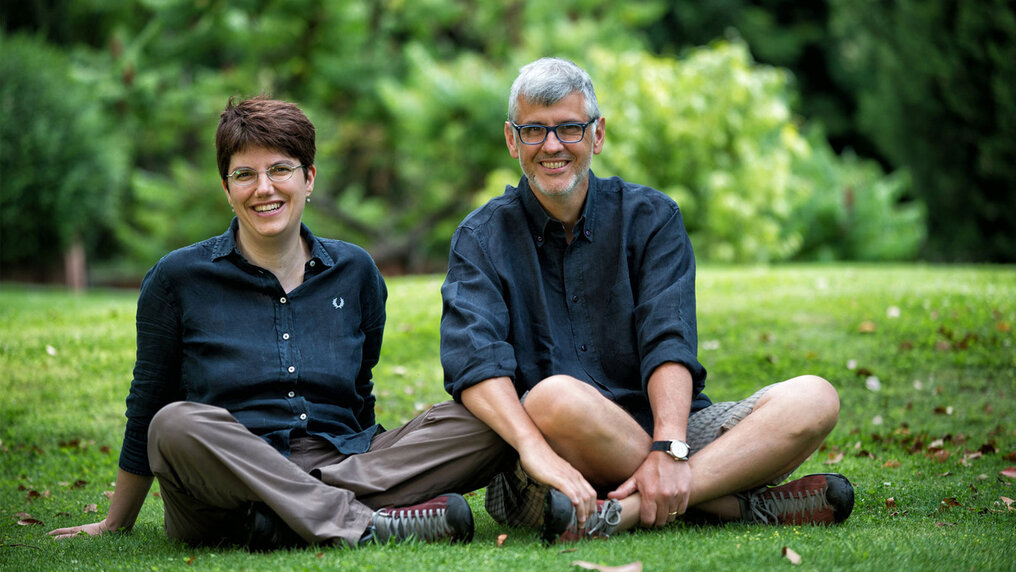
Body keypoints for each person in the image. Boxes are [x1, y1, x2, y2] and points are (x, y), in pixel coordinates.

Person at [49, 96, 510, 550]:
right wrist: (116, 523)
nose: (263, 188)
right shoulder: (177, 278)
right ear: (226, 189)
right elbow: (148, 402)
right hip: (225, 476)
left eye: (280, 170)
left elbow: (358, 391)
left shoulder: (356, 271)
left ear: (308, 178)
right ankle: (364, 521)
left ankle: (279, 521)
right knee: (172, 423)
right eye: (245, 175)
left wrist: (384, 454)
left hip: (342, 460)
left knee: (487, 421)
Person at [439, 58, 854, 544]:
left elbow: (669, 341)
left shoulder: (653, 217)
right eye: (535, 130)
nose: (552, 146)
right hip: (552, 458)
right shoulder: (480, 237)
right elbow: (474, 363)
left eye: (570, 128)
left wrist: (670, 449)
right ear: (513, 141)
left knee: (815, 398)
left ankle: (630, 509)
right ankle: (736, 504)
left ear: (598, 135)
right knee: (555, 396)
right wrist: (532, 446)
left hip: (672, 435)